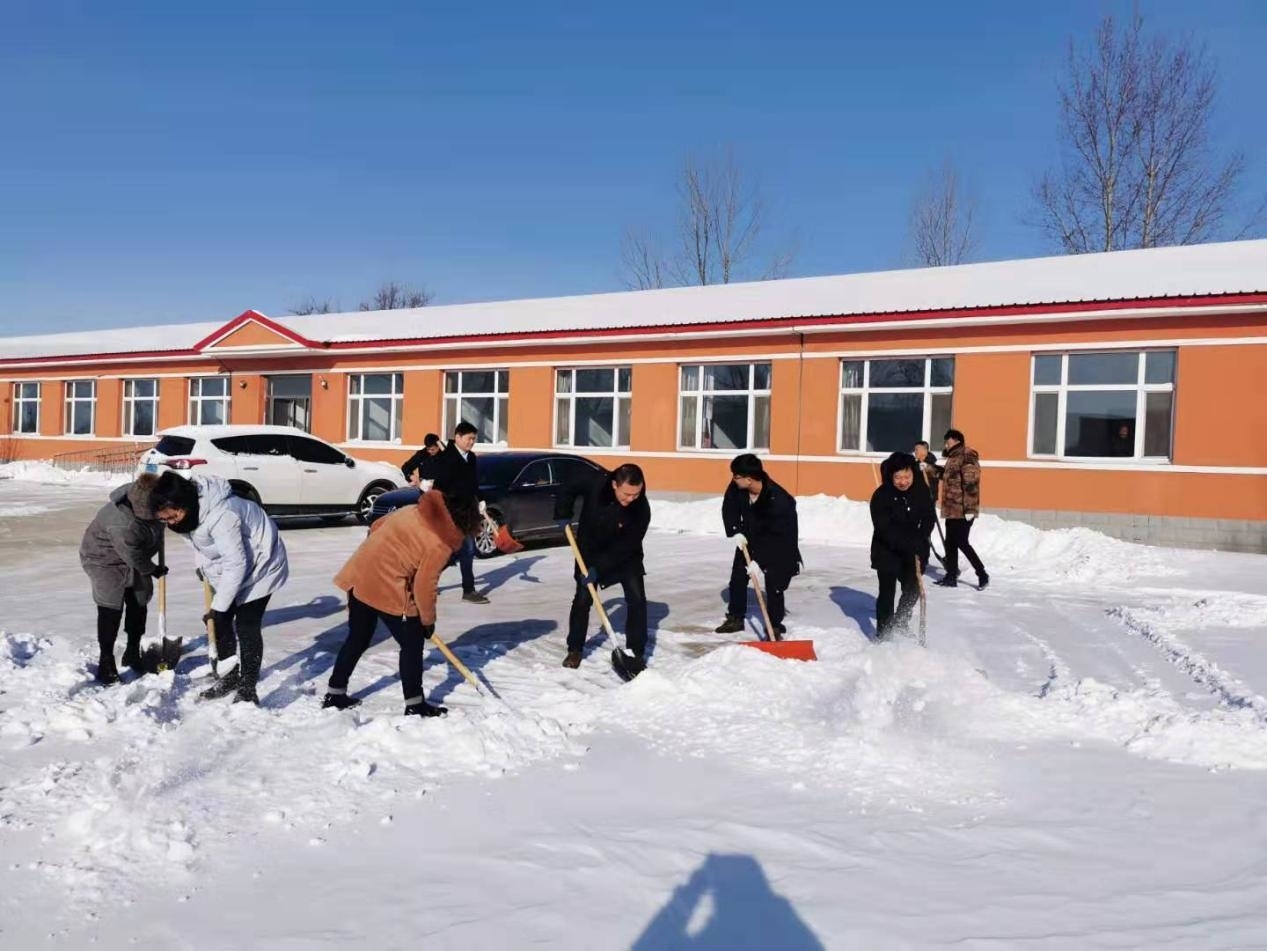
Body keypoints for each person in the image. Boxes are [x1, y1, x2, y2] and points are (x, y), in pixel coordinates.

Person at [322, 488, 481, 717]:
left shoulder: (412, 510)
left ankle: (335, 693)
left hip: (360, 573)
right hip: (386, 584)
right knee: (412, 643)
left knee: (358, 637)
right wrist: (427, 620)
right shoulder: (441, 543)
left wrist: (388, 553)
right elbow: (425, 585)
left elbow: (377, 527)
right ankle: (415, 704)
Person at [151, 471, 290, 704]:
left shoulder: (222, 515)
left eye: (172, 516)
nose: (170, 522)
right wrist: (203, 567)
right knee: (218, 620)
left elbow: (237, 563)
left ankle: (247, 686)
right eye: (165, 520)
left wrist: (221, 607)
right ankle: (230, 675)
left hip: (262, 565)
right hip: (232, 565)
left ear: (183, 504)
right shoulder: (190, 515)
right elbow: (201, 544)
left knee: (246, 624)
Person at [554, 463, 651, 673]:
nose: (630, 500)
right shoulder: (595, 481)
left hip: (625, 555)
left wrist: (600, 567)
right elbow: (568, 485)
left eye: (636, 494)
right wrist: (563, 512)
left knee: (637, 599)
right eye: (626, 494)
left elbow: (628, 545)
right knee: (582, 598)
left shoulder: (641, 509)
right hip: (590, 550)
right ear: (615, 484)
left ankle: (636, 651)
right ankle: (575, 649)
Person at [79, 474, 167, 683]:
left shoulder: (149, 495)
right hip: (103, 560)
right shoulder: (121, 522)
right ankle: (106, 661)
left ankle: (132, 651)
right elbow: (133, 555)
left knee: (139, 600)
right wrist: (153, 569)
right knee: (111, 608)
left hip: (134, 556)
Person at [714, 454, 801, 637]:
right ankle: (736, 618)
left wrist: (760, 561)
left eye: (736, 476)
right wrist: (736, 530)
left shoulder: (779, 501)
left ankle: (774, 626)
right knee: (738, 576)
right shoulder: (738, 486)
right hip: (749, 537)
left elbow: (779, 537)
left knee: (774, 583)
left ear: (750, 478)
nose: (733, 479)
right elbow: (729, 506)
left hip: (779, 545)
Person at [869, 452, 934, 640]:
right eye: (898, 477)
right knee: (887, 592)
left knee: (913, 589)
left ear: (913, 474)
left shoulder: (921, 491)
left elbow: (929, 517)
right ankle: (884, 633)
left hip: (914, 551)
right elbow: (884, 528)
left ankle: (900, 622)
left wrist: (921, 536)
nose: (903, 482)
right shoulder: (881, 496)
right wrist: (908, 543)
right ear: (891, 476)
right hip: (887, 551)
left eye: (907, 477)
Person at [431, 421, 488, 604]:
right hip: (449, 512)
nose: (472, 442)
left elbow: (473, 482)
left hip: (467, 513)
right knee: (449, 552)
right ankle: (423, 579)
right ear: (457, 437)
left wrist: (480, 499)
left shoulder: (471, 458)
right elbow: (440, 487)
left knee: (467, 550)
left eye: (474, 439)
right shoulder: (445, 458)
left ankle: (468, 590)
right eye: (469, 438)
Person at [936, 428, 989, 590]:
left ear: (955, 440)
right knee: (950, 543)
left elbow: (971, 483)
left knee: (962, 542)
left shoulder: (967, 456)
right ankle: (951, 576)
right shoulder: (953, 458)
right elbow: (946, 475)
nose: (945, 444)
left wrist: (970, 509)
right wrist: (929, 468)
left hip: (963, 510)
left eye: (948, 441)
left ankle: (982, 574)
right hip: (952, 509)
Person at [912, 441, 941, 575]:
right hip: (915, 503)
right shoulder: (915, 464)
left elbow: (937, 474)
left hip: (928, 504)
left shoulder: (931, 462)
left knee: (924, 534)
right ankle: (915, 559)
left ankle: (922, 562)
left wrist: (927, 468)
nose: (915, 451)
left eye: (917, 449)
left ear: (925, 450)